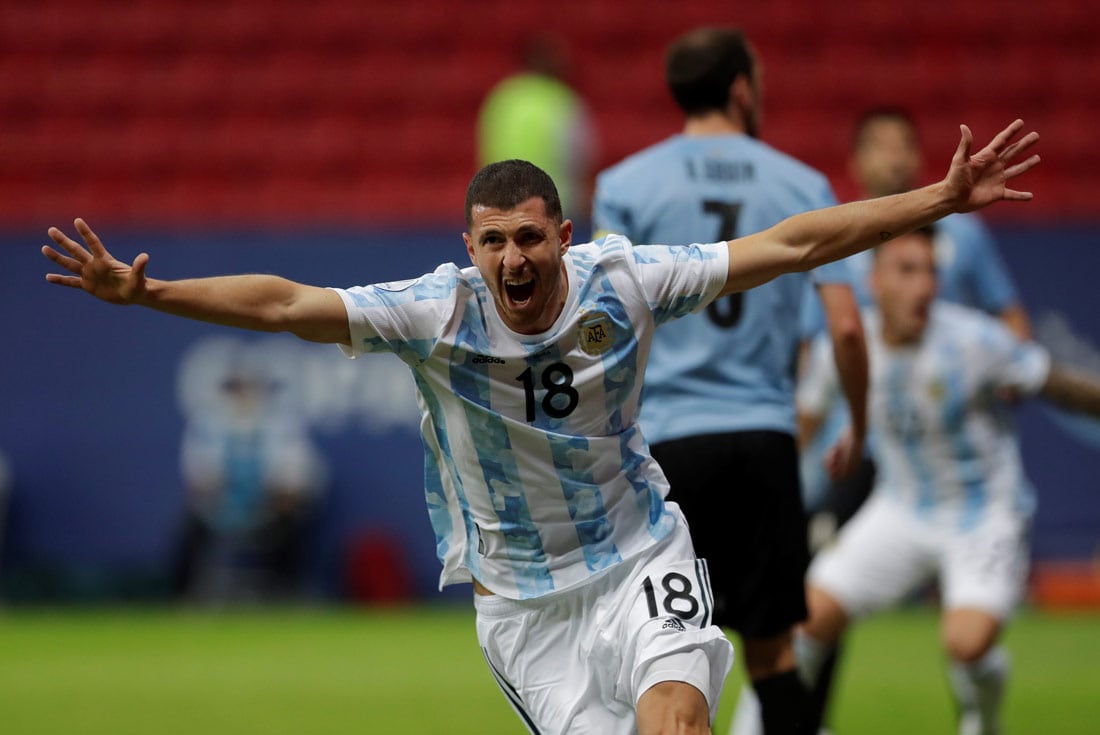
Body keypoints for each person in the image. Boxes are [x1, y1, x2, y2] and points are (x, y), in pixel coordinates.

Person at [41, 119, 1038, 734]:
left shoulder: (624, 279)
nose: (511, 260)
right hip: (524, 610)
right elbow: (282, 305)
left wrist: (935, 200)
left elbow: (787, 243)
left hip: (641, 551)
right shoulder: (436, 311)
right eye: (492, 243)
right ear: (466, 246)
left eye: (528, 238)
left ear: (562, 236)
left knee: (680, 723)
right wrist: (154, 291)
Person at [592, 27, 868, 735]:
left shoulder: (625, 186)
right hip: (767, 438)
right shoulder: (801, 183)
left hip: (670, 449)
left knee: (668, 652)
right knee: (774, 658)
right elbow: (844, 328)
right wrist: (858, 425)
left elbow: (605, 327)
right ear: (742, 87)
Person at [795, 225, 1100, 735]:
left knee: (966, 643)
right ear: (874, 281)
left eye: (931, 271)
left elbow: (1057, 385)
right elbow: (803, 422)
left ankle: (983, 719)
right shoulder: (847, 344)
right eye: (907, 271)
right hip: (901, 508)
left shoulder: (975, 341)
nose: (924, 286)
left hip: (983, 515)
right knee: (806, 619)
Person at [788, 107, 1036, 734]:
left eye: (905, 145)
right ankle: (798, 721)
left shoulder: (961, 233)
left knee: (965, 636)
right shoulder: (838, 233)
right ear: (858, 163)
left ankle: (977, 707)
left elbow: (1010, 322)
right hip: (864, 445)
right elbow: (822, 342)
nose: (894, 158)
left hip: (942, 430)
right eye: (881, 147)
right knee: (813, 603)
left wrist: (1006, 373)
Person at [173, 352, 326, 603]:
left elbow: (294, 478)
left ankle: (286, 593)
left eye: (248, 387)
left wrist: (273, 498)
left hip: (269, 511)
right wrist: (218, 497)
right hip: (220, 510)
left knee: (292, 525)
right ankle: (187, 596)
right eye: (236, 388)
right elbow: (199, 477)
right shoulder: (207, 426)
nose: (242, 395)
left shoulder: (284, 426)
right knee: (188, 528)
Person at [478, 32, 598, 218]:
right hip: (555, 206)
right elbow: (581, 159)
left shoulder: (502, 96)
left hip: (503, 203)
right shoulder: (563, 100)